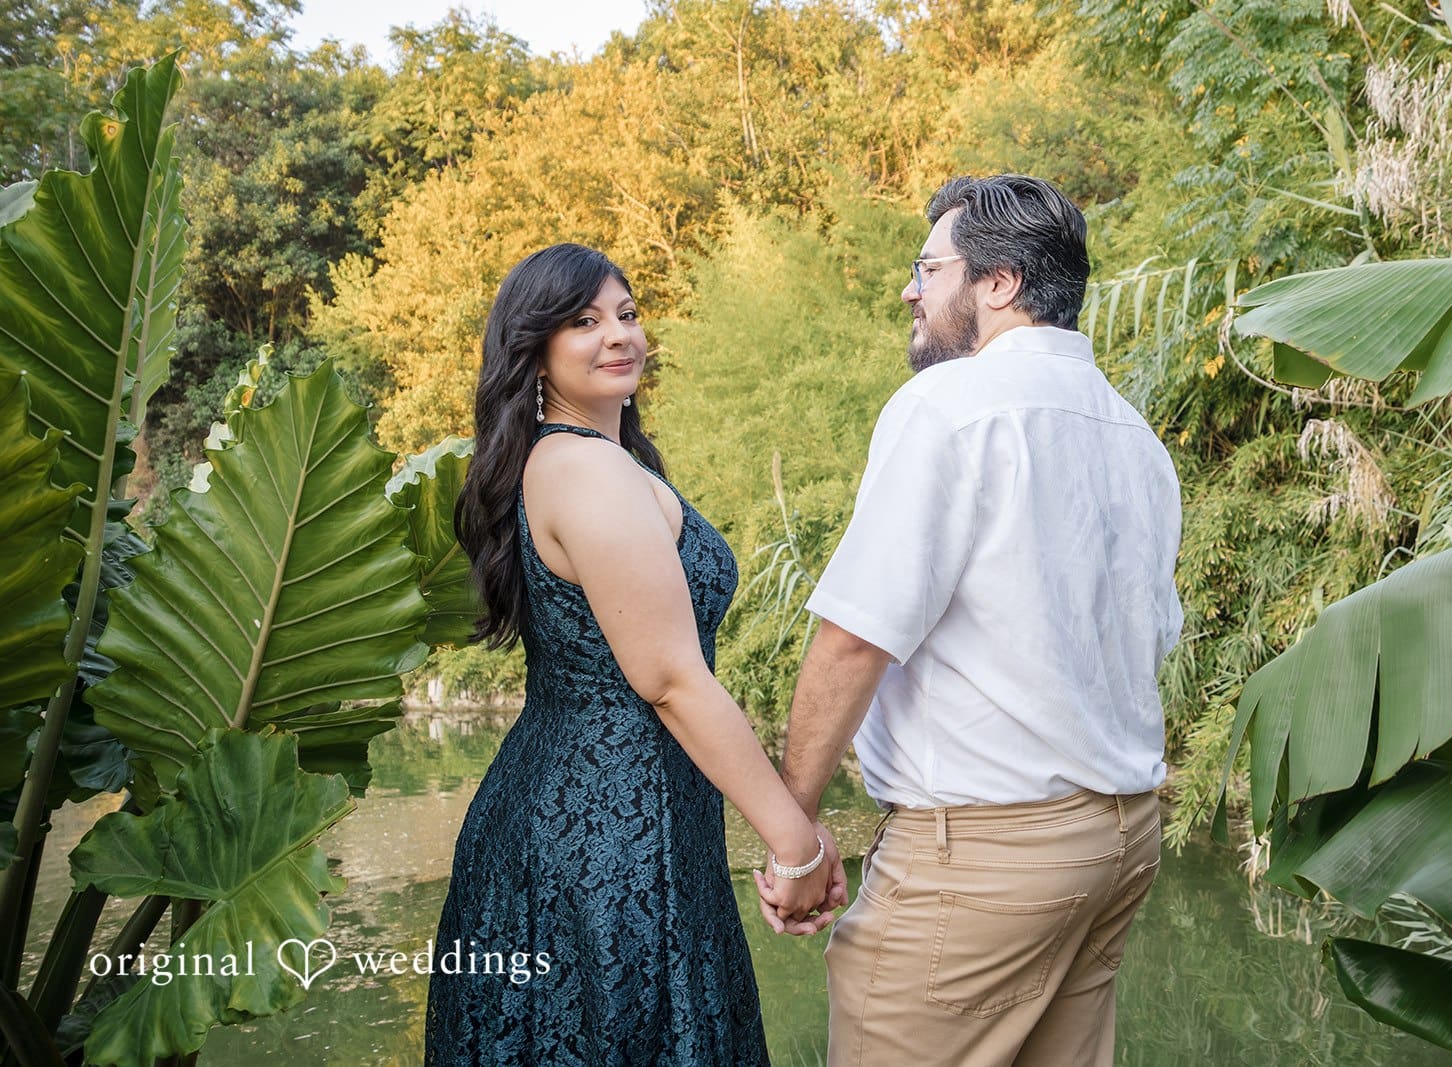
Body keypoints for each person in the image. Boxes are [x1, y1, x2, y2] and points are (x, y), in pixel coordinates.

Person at [758, 175, 1184, 1066]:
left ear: (1001, 284)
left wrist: (794, 830)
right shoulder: (1133, 434)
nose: (911, 290)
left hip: (987, 856)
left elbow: (853, 637)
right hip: (1119, 838)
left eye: (929, 267)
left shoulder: (948, 409)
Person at [427, 243, 843, 1066]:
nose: (618, 335)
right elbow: (672, 680)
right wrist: (796, 842)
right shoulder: (583, 469)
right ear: (534, 348)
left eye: (626, 313)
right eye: (583, 321)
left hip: (622, 818)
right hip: (602, 844)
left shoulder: (595, 461)